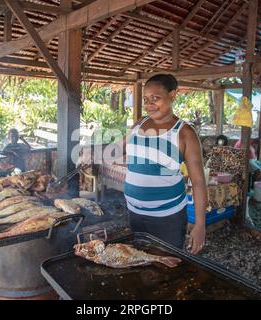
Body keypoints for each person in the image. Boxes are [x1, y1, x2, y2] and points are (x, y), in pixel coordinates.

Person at [79, 74, 207, 254]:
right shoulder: (141, 123)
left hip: (167, 217)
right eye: (146, 99)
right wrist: (91, 155)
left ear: (173, 95)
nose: (149, 104)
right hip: (135, 213)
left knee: (166, 264)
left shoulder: (185, 134)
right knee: (139, 259)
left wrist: (200, 225)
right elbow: (117, 149)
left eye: (156, 98)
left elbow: (199, 182)